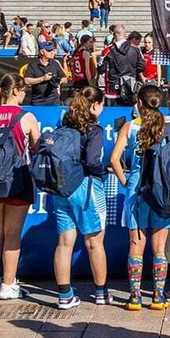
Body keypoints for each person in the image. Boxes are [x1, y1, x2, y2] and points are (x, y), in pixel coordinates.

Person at [113, 85, 170, 311]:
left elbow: (114, 160)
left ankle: (134, 297)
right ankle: (158, 296)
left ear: (139, 103)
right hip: (161, 190)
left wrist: (126, 181)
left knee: (136, 243)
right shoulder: (169, 125)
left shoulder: (130, 126)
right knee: (160, 244)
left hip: (136, 189)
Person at [0, 73, 40, 299]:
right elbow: (35, 148)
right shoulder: (27, 117)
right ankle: (8, 285)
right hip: (17, 177)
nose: (24, 94)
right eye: (23, 90)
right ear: (15, 91)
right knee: (12, 233)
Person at [51, 87, 110, 310]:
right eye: (102, 104)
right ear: (94, 105)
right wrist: (103, 171)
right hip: (86, 187)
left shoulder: (64, 124)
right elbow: (93, 161)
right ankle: (101, 292)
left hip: (61, 186)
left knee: (64, 243)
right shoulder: (94, 129)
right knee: (94, 242)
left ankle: (65, 295)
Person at [23, 39, 65, 105]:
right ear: (42, 52)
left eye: (52, 50)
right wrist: (43, 78)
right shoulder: (33, 65)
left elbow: (64, 78)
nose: (51, 52)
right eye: (48, 51)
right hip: (38, 101)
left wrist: (58, 81)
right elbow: (26, 80)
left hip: (53, 100)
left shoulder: (55, 64)